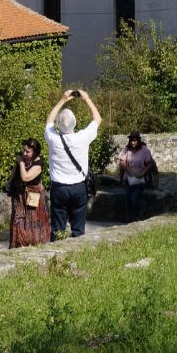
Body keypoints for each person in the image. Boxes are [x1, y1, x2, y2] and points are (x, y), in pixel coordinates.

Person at [45, 88, 101, 240]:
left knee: (57, 228)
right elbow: (97, 119)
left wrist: (62, 100)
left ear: (58, 124)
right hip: (78, 188)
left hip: (59, 188)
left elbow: (49, 121)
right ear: (75, 123)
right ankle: (77, 253)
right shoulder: (83, 137)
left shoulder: (53, 139)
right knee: (78, 229)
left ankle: (56, 255)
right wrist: (87, 98)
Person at [8, 138, 50, 249]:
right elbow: (14, 173)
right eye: (24, 151)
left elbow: (26, 177)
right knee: (18, 220)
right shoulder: (22, 159)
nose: (24, 153)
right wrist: (10, 183)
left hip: (33, 195)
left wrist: (21, 162)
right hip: (19, 195)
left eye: (28, 152)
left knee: (33, 220)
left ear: (35, 152)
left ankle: (33, 245)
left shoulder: (38, 163)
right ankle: (17, 245)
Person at [119, 132, 154, 224]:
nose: (133, 143)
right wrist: (129, 171)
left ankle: (135, 218)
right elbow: (122, 162)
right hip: (128, 178)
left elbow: (150, 163)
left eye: (135, 140)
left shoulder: (144, 150)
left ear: (138, 140)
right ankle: (129, 218)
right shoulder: (127, 149)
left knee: (134, 198)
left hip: (139, 179)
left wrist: (143, 173)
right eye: (131, 140)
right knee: (128, 198)